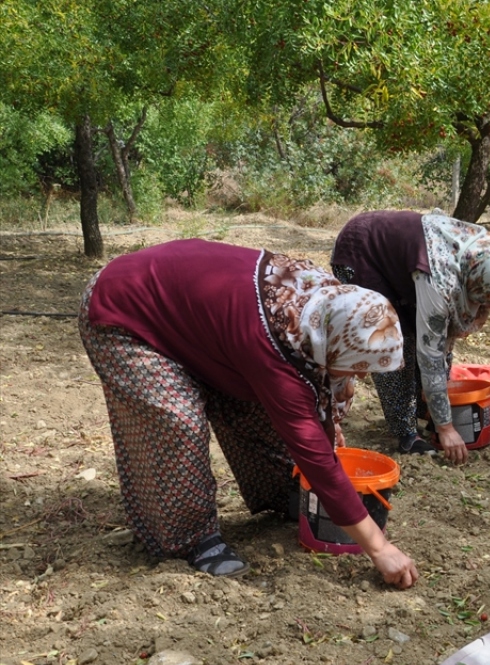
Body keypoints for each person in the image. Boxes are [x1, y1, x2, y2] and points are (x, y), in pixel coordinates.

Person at [78, 238, 419, 587]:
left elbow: (319, 388)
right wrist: (378, 548)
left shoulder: (323, 306)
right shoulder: (274, 347)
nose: (361, 375)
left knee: (251, 404)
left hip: (197, 322)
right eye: (358, 365)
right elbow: (313, 452)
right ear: (333, 342)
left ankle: (278, 492)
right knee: (177, 421)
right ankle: (190, 540)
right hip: (125, 309)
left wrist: (329, 425)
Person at [331, 210, 490, 464]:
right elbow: (431, 353)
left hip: (403, 261)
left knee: (423, 338)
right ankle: (405, 432)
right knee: (394, 339)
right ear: (475, 289)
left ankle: (428, 408)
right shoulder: (439, 280)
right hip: (363, 250)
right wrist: (447, 428)